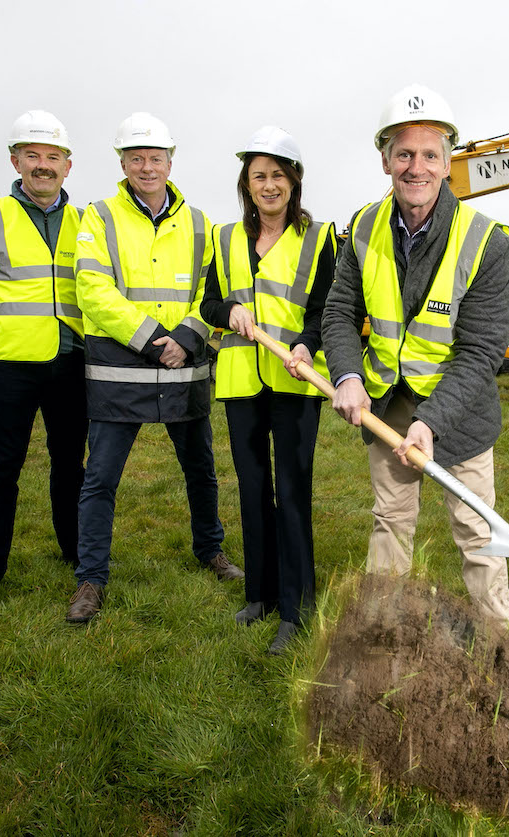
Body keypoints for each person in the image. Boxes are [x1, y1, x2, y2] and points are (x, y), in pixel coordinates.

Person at [321, 84, 509, 632]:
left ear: (448, 161)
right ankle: (381, 640)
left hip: (460, 413)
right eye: (404, 153)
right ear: (385, 159)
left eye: (430, 154)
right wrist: (348, 375)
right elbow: (339, 311)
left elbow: (481, 349)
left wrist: (431, 423)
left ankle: (504, 656)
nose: (416, 167)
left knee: (479, 535)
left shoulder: (487, 242)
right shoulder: (361, 227)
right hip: (386, 405)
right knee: (390, 523)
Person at [67, 112, 243, 623]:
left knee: (201, 473)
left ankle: (210, 550)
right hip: (121, 370)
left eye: (156, 159)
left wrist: (187, 337)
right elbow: (93, 290)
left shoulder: (200, 223)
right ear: (122, 163)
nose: (147, 167)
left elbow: (212, 292)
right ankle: (91, 580)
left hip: (184, 368)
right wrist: (152, 340)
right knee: (99, 479)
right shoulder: (98, 217)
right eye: (137, 159)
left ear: (170, 162)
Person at [0, 110, 88, 619]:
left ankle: (75, 553)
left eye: (53, 157)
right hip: (12, 365)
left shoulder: (86, 221)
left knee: (71, 465)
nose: (43, 166)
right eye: (33, 156)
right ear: (16, 161)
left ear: (68, 166)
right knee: (2, 467)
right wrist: (2, 329)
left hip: (70, 362)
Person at [201, 126, 337, 654]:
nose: (268, 185)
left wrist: (306, 344)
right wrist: (227, 311)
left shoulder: (321, 237)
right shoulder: (224, 238)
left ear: (293, 182)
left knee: (292, 491)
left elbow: (328, 306)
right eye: (259, 175)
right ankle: (258, 594)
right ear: (246, 183)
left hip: (296, 379)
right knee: (253, 487)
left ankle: (296, 604)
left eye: (278, 175)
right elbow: (209, 302)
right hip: (240, 380)